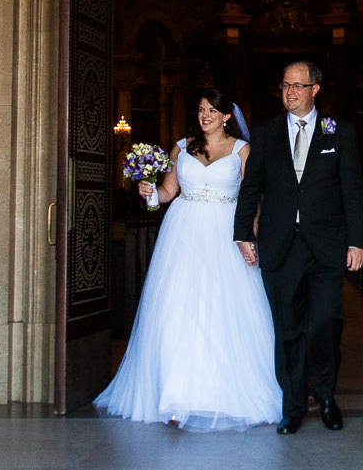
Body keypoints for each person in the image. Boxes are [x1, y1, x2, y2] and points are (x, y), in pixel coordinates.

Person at [94, 89, 282, 431]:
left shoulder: (243, 150)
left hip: (226, 233)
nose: (205, 115)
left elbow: (251, 200)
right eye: (200, 110)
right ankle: (175, 396)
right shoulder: (182, 146)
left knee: (225, 310)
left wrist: (249, 237)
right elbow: (168, 193)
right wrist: (150, 192)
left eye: (212, 110)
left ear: (227, 115)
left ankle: (221, 394)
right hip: (182, 233)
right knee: (178, 309)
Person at [234, 60, 363, 435]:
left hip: (326, 248)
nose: (289, 92)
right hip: (280, 246)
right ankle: (292, 407)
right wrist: (243, 232)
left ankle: (326, 397)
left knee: (324, 324)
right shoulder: (265, 132)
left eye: (297, 85)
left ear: (315, 90)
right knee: (287, 330)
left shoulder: (338, 131)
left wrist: (357, 241)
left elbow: (352, 191)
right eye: (285, 85)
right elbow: (251, 188)